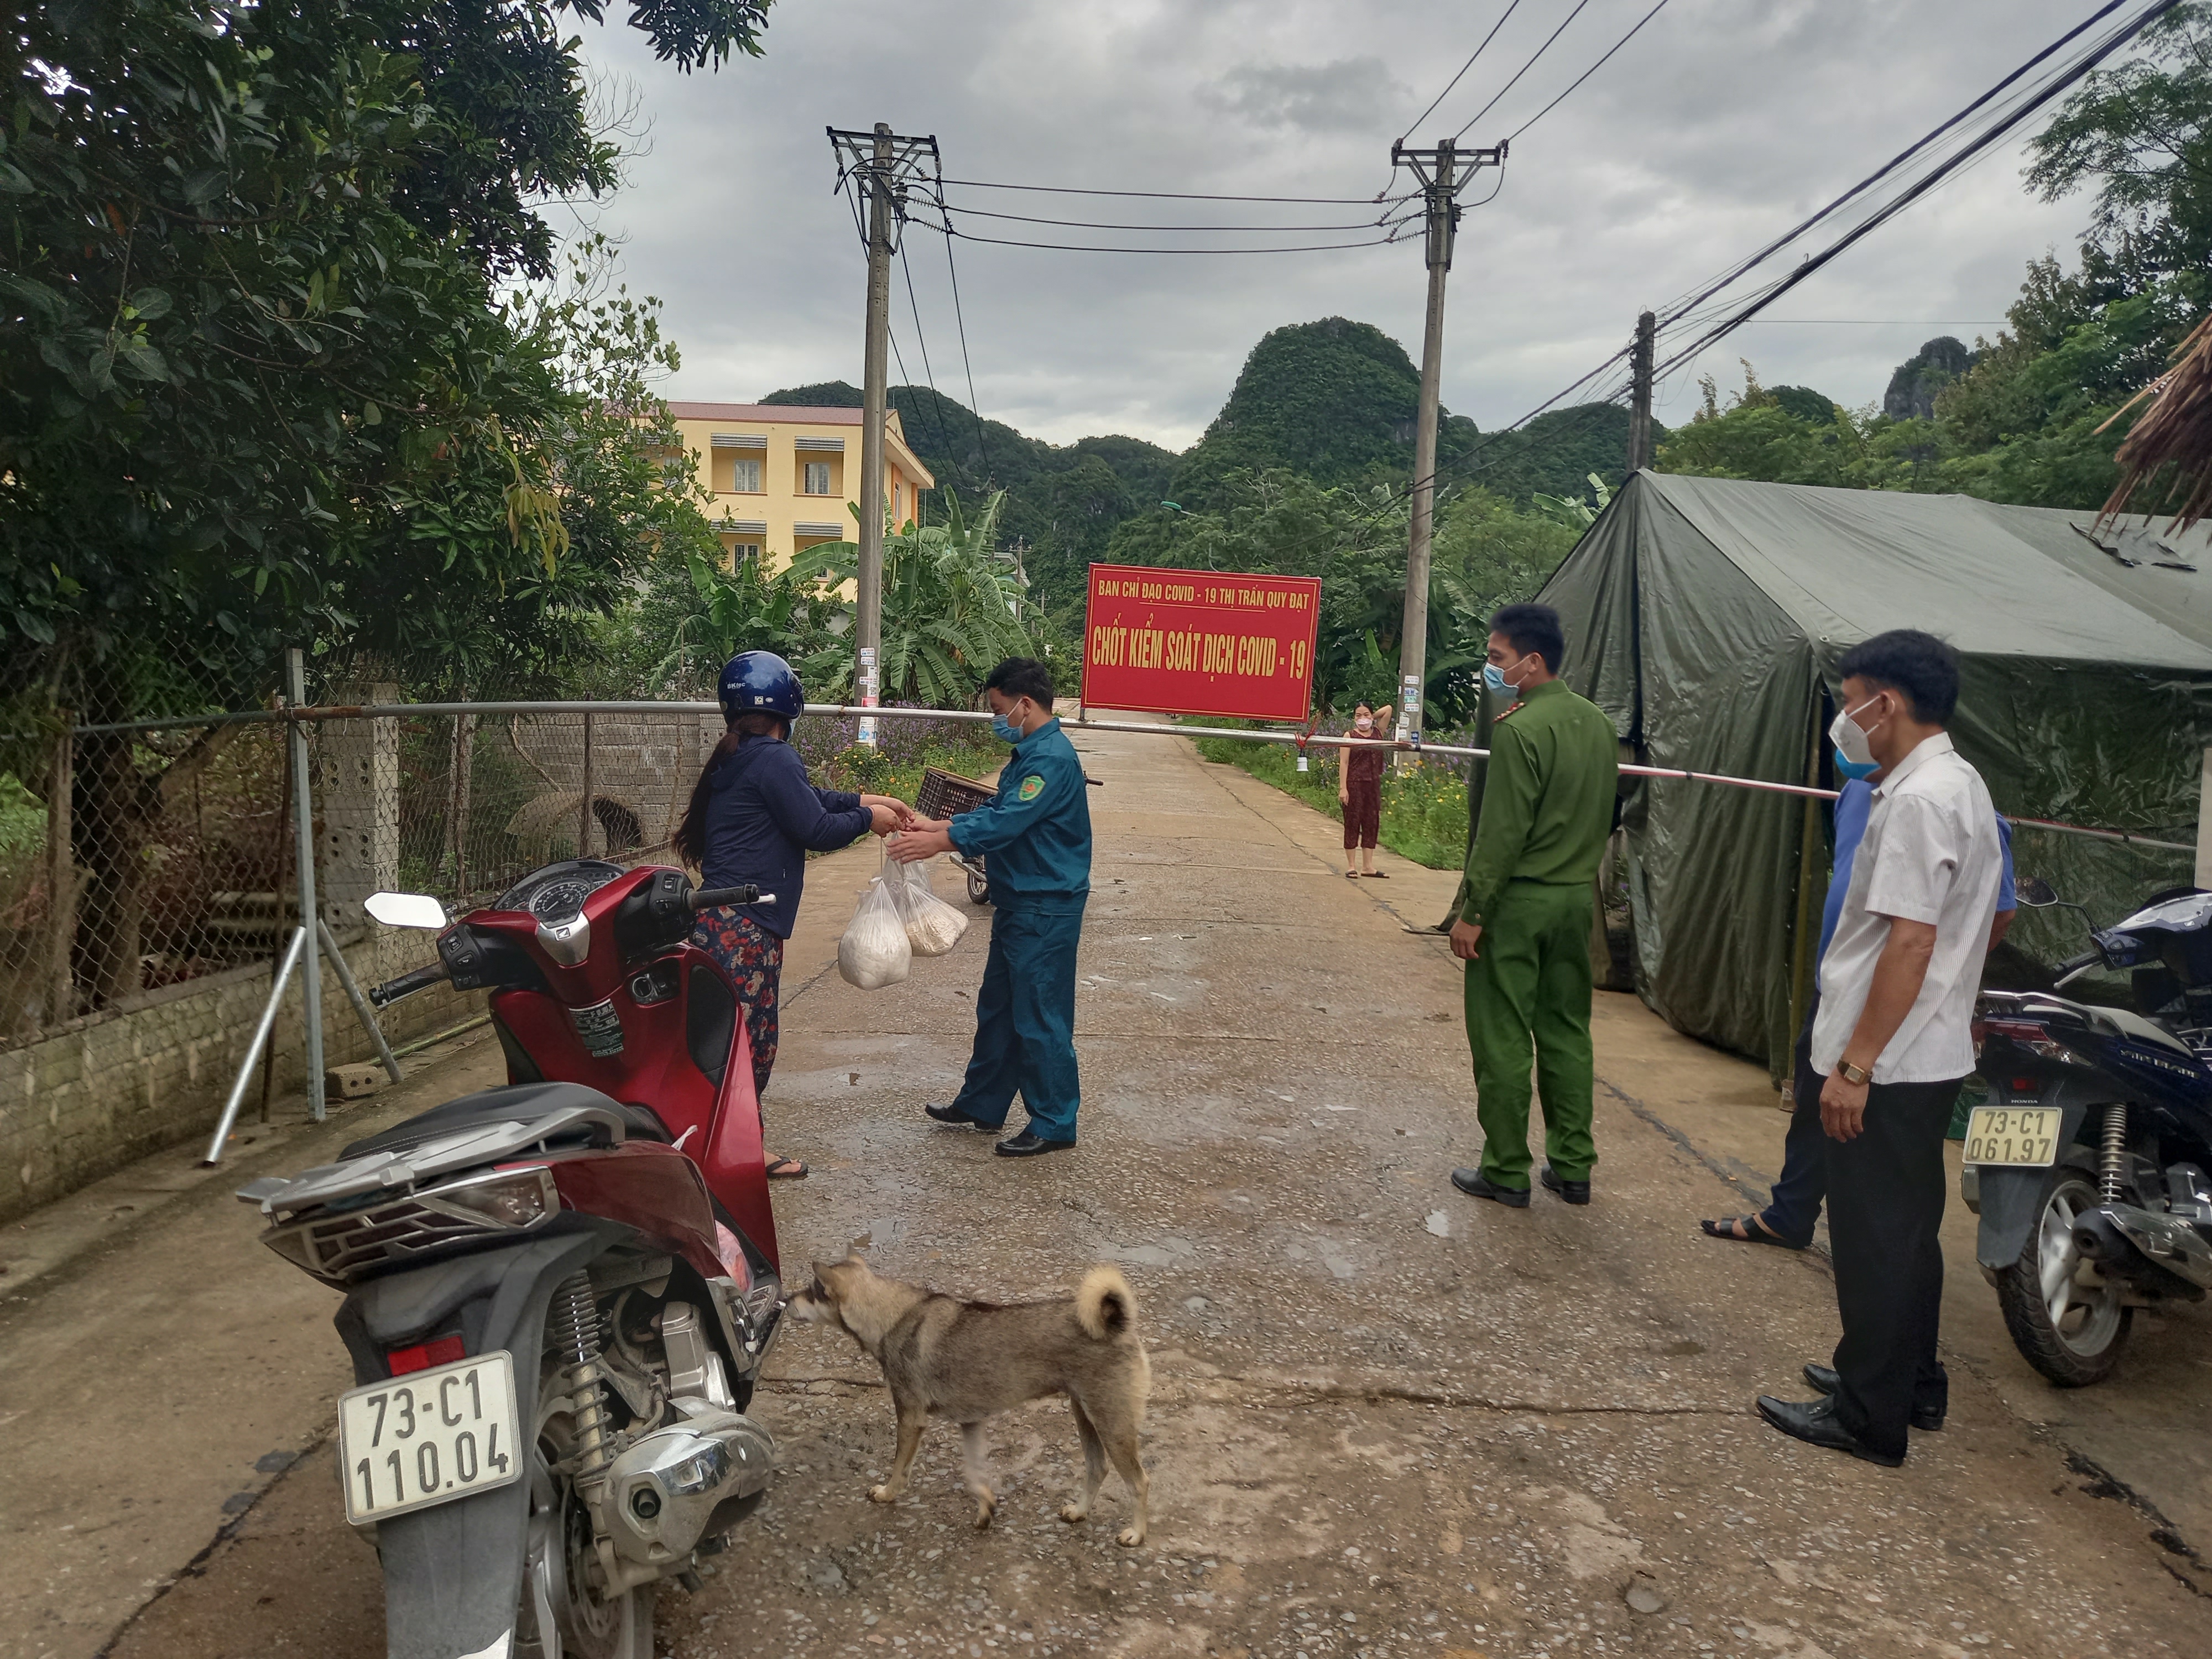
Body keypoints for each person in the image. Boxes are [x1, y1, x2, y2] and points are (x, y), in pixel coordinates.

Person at [1756, 629, 2002, 1469]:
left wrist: (1855, 1066)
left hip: (1889, 1063)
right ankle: (1908, 1382)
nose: (1843, 719)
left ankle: (1869, 1416)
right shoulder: (1958, 784)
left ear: (1884, 704)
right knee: (1908, 1235)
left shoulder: (1920, 799)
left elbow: (1908, 944)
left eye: (1849, 699)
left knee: (1872, 1240)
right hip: (1924, 1056)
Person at [1700, 770, 2015, 1250]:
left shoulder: (1946, 801)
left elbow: (2000, 909)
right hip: (1836, 988)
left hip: (1894, 1000)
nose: (1848, 722)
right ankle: (1790, 1214)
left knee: (1874, 1143)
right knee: (1813, 1100)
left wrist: (1943, 982)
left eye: (1858, 704)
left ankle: (1879, 1268)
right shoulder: (1854, 794)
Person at [672, 650, 911, 1180]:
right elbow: (814, 828)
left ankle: (714, 1142)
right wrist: (867, 818)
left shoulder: (740, 755)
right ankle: (742, 1152)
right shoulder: (773, 758)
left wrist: (867, 798)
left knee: (724, 1037)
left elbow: (807, 799)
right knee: (749, 1042)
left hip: (721, 922)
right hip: (746, 928)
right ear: (789, 709)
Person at [1447, 603, 1619, 1209]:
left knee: (1502, 1037)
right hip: (1576, 902)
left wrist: (1474, 911)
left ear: (1532, 661)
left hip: (1518, 903)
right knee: (1568, 1031)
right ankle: (1573, 1167)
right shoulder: (1597, 724)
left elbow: (1501, 833)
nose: (1492, 670)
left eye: (1497, 659)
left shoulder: (1518, 730)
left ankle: (1506, 1170)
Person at [889, 657, 1093, 1157]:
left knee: (1040, 1016)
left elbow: (1006, 825)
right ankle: (983, 1103)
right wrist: (937, 828)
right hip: (1021, 900)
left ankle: (1054, 1120)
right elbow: (1001, 815)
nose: (998, 720)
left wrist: (940, 842)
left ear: (1025, 705)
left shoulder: (1050, 760)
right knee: (999, 1010)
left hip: (1045, 906)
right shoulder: (1030, 753)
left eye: (1000, 710)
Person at [1339, 703, 1391, 879]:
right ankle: (1351, 866)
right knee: (1353, 823)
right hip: (1354, 783)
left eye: (1366, 715)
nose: (1362, 718)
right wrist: (1343, 788)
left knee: (1371, 823)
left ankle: (1368, 866)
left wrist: (1371, 717)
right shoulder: (1350, 735)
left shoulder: (1378, 733)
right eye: (1358, 715)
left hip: (1373, 784)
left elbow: (1389, 709)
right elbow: (1344, 763)